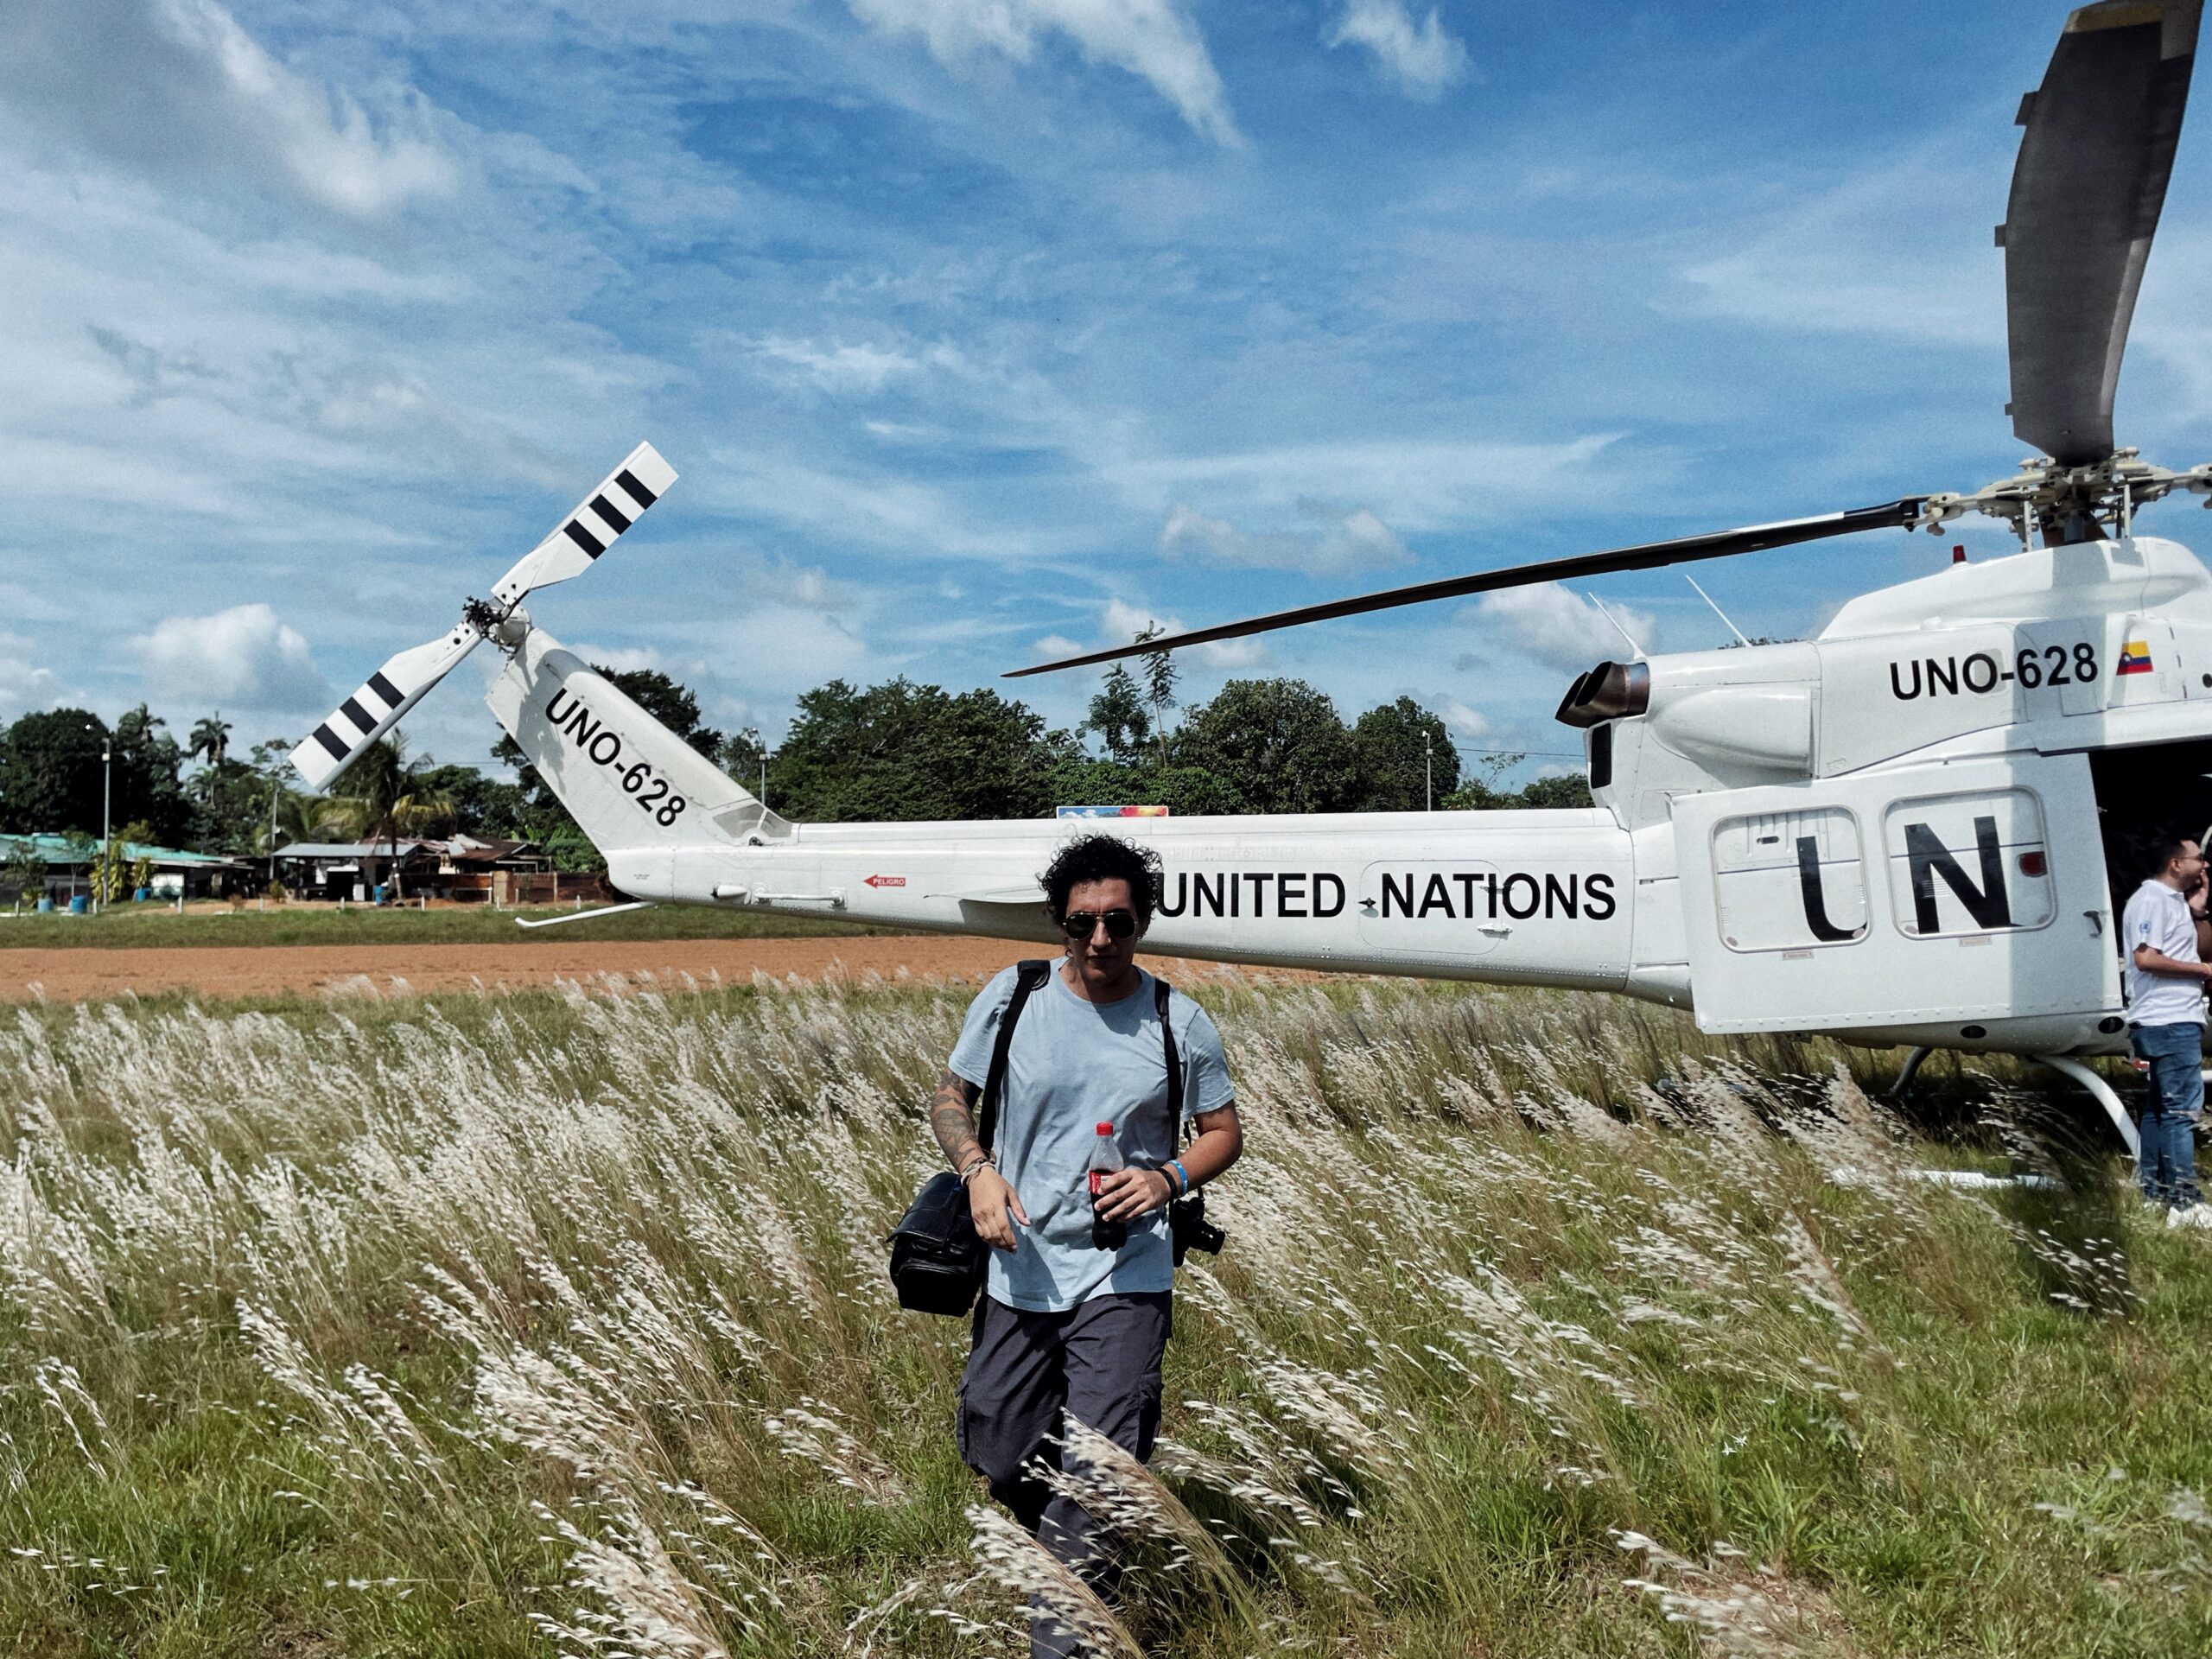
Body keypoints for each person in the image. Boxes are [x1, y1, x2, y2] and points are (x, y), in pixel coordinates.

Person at [929, 834, 1243, 1657]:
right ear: (1058, 922)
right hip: (1020, 1267)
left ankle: (1068, 1619)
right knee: (999, 1446)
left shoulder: (1180, 1019)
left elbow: (1223, 1132)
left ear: (1144, 921)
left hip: (1125, 1270)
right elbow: (950, 1098)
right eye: (1081, 923)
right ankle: (1070, 1538)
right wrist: (978, 1172)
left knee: (1097, 1471)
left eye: (1118, 922)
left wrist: (1168, 1179)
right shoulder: (1014, 996)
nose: (1100, 940)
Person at [2120, 831, 2212, 1225]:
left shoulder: (2173, 903)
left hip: (2169, 1019)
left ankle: (2153, 1192)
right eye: (2198, 858)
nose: (2204, 864)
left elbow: (2194, 946)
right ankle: (2184, 1202)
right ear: (2176, 864)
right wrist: (2205, 971)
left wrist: (2199, 910)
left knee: (2160, 1109)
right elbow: (2146, 959)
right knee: (2180, 1111)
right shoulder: (2151, 900)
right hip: (2169, 1019)